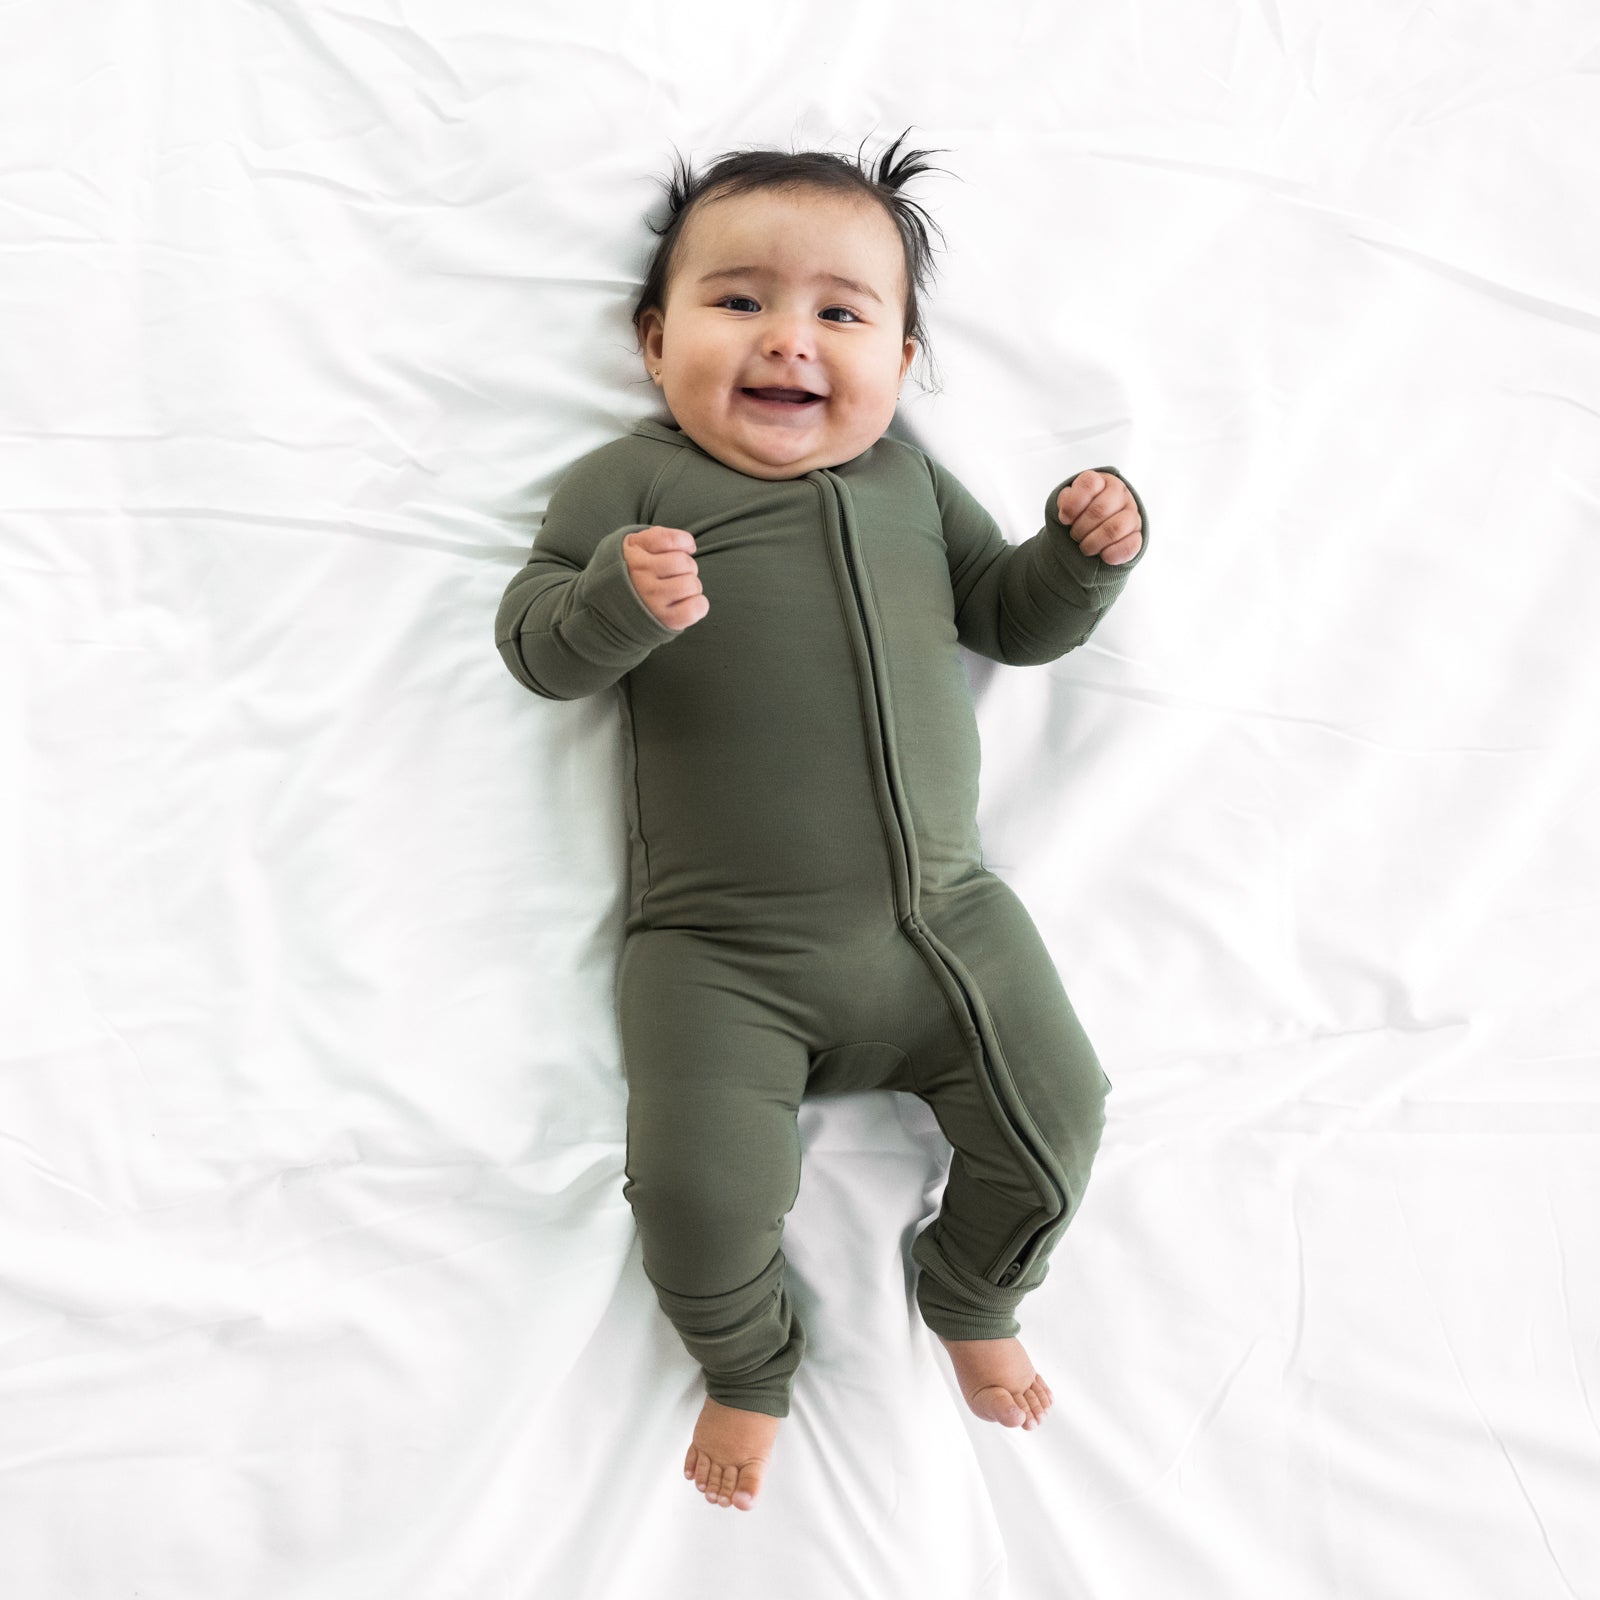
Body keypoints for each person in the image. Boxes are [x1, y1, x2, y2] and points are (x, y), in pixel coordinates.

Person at [494, 134, 1148, 1513]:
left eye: (842, 313)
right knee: (693, 1195)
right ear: (653, 335)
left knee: (1062, 1117)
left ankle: (971, 1285)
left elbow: (1009, 621)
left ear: (903, 360)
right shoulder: (634, 486)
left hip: (945, 929)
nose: (789, 339)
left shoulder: (907, 485)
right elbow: (536, 646)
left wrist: (1079, 561)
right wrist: (614, 599)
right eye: (738, 302)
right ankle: (746, 1362)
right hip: (719, 959)